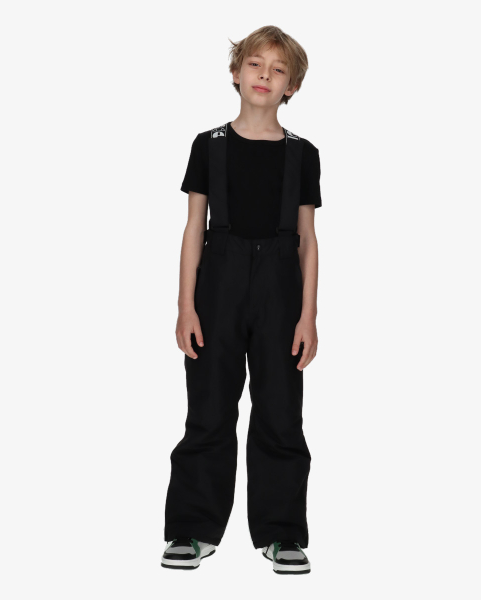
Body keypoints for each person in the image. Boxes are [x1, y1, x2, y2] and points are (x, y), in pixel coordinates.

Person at [161, 25, 321, 575]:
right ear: (236, 73)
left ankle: (283, 533)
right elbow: (193, 229)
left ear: (291, 87)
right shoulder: (208, 145)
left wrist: (308, 315)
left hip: (281, 288)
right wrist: (186, 306)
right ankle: (191, 529)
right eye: (255, 64)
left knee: (280, 411)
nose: (264, 76)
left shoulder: (303, 155)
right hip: (218, 284)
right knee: (208, 409)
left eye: (278, 70)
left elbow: (308, 239)